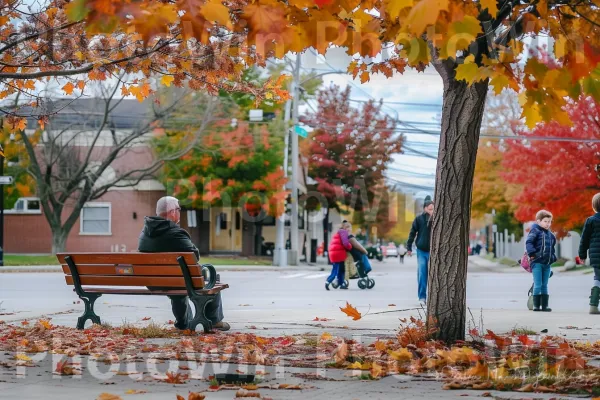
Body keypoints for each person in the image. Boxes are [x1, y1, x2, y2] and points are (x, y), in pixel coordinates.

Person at [138, 196, 230, 331]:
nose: (180, 212)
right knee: (211, 278)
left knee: (178, 282)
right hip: (177, 281)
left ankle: (183, 323)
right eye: (179, 209)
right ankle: (213, 320)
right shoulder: (176, 233)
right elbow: (195, 256)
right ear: (172, 212)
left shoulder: (144, 233)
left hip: (152, 281)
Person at [525, 210, 557, 312]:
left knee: (544, 285)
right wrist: (532, 254)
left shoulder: (551, 235)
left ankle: (544, 306)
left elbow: (552, 248)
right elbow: (529, 242)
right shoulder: (535, 231)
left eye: (549, 222)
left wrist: (552, 258)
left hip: (547, 264)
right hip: (537, 262)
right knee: (538, 284)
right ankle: (536, 305)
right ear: (538, 221)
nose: (548, 224)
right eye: (545, 221)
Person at [407, 197, 434, 304]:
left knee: (434, 274)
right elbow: (412, 233)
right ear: (425, 209)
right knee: (422, 273)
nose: (432, 211)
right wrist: (409, 247)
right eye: (430, 209)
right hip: (422, 250)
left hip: (434, 251)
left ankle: (434, 297)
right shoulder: (419, 219)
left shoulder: (438, 219)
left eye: (433, 209)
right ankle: (422, 297)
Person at [578, 193, 600, 314]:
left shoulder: (590, 221)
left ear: (594, 207)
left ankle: (593, 304)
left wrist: (582, 255)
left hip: (596, 256)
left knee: (598, 277)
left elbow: (584, 240)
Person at [326, 221, 352, 290]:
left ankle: (341, 284)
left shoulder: (338, 233)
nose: (349, 229)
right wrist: (350, 247)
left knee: (340, 269)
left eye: (350, 227)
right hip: (338, 254)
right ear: (344, 227)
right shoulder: (343, 232)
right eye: (348, 227)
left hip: (334, 253)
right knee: (337, 270)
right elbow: (346, 243)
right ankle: (328, 281)